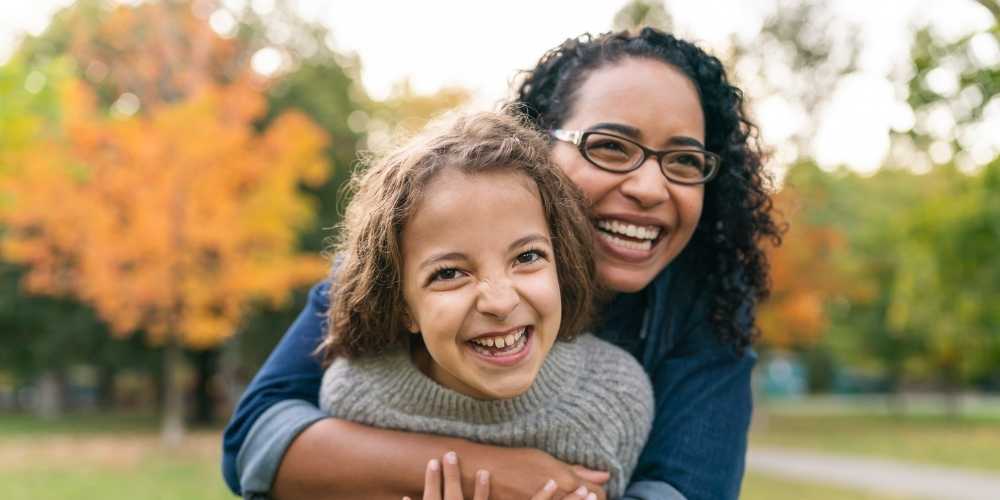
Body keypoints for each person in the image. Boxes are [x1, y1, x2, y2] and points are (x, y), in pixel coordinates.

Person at [223, 27, 782, 500]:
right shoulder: (403, 261)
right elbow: (255, 443)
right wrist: (489, 472)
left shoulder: (706, 316)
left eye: (683, 160)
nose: (649, 187)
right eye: (610, 146)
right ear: (538, 149)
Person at [315, 110, 654, 500]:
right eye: (448, 273)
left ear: (560, 263)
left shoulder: (614, 396)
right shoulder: (357, 395)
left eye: (527, 257)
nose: (500, 302)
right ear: (402, 305)